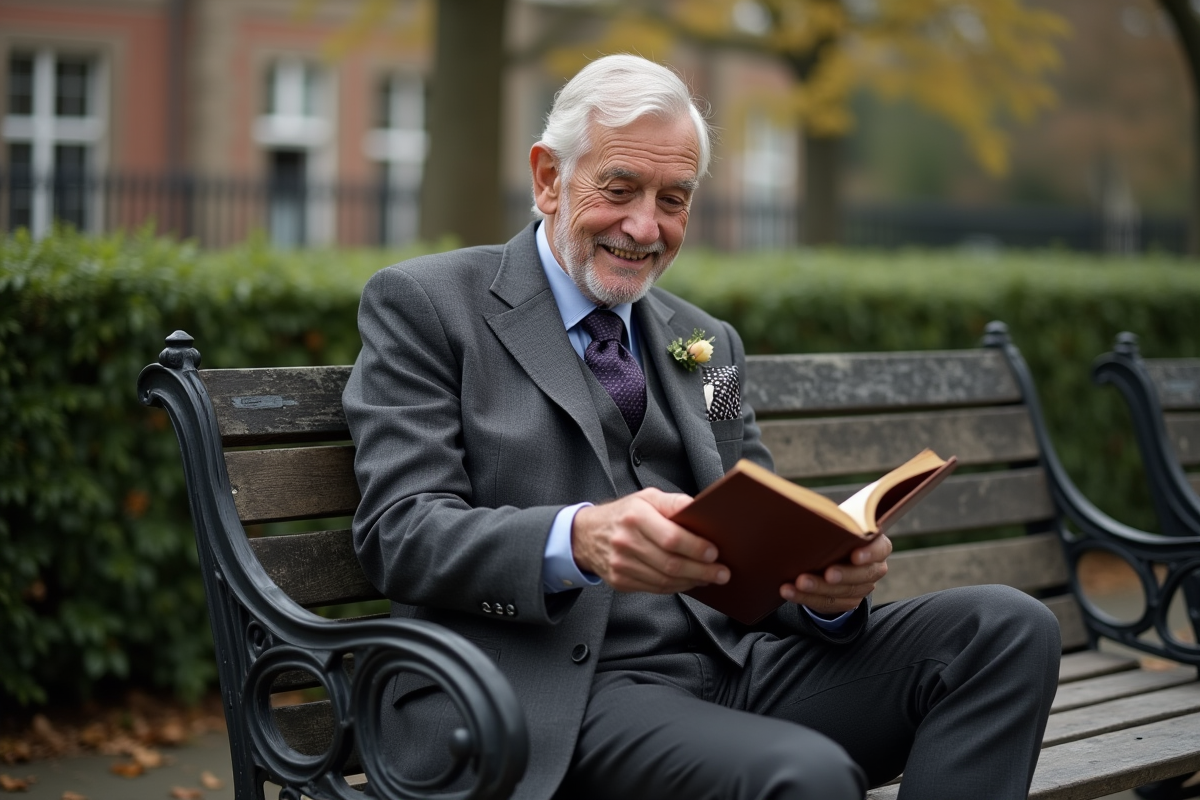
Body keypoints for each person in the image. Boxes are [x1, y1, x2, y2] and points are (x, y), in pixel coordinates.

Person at [342, 54, 1060, 800]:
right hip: (552, 696)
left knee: (1006, 630)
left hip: (734, 671)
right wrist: (576, 539)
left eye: (673, 199)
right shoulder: (428, 306)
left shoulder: (708, 347)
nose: (644, 227)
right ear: (549, 178)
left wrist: (825, 592)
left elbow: (755, 513)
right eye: (619, 189)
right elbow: (401, 533)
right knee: (804, 777)